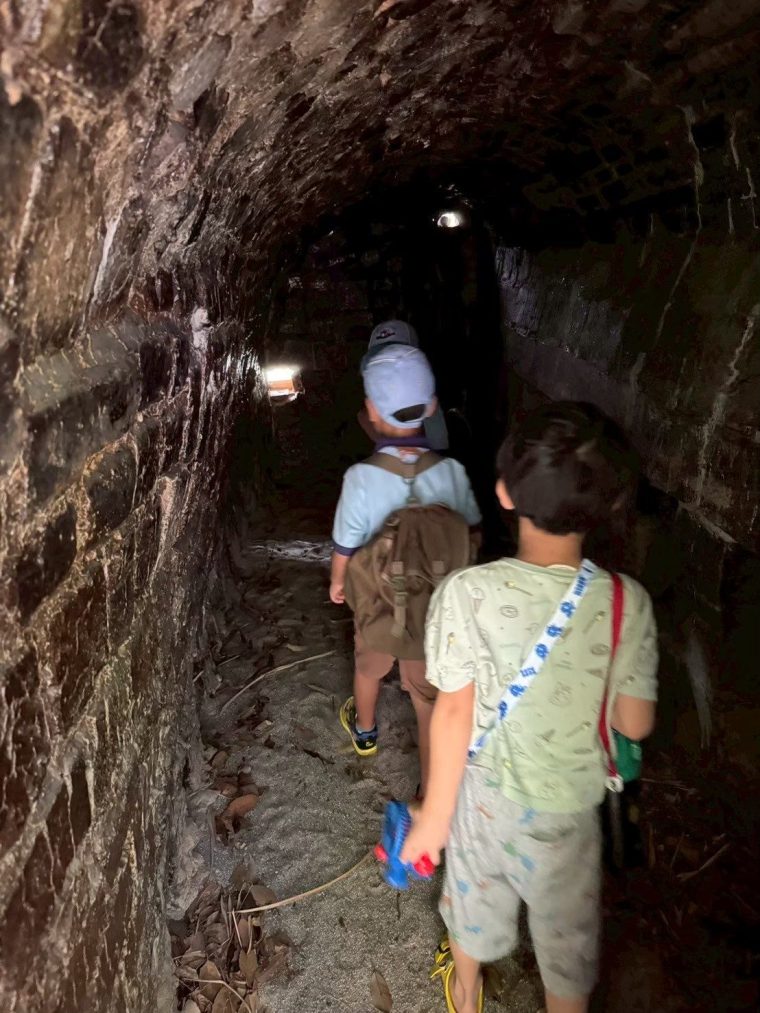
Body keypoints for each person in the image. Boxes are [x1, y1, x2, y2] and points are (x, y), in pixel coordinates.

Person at [400, 402, 658, 1013]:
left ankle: (466, 990)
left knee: (472, 904)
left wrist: (434, 818)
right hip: (569, 811)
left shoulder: (467, 593)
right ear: (609, 506)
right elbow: (634, 723)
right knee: (568, 942)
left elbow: (454, 714)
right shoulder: (627, 602)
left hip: (485, 802)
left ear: (504, 493)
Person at [330, 344, 481, 797]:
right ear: (432, 407)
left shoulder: (361, 477)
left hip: (378, 599)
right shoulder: (451, 472)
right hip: (431, 605)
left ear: (372, 411)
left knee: (369, 667)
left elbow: (345, 544)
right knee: (426, 695)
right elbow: (471, 532)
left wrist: (338, 581)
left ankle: (365, 731)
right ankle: (431, 788)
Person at [357, 320, 450, 452]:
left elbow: (439, 448)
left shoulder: (429, 407)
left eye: (399, 359)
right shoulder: (366, 415)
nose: (391, 371)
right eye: (382, 363)